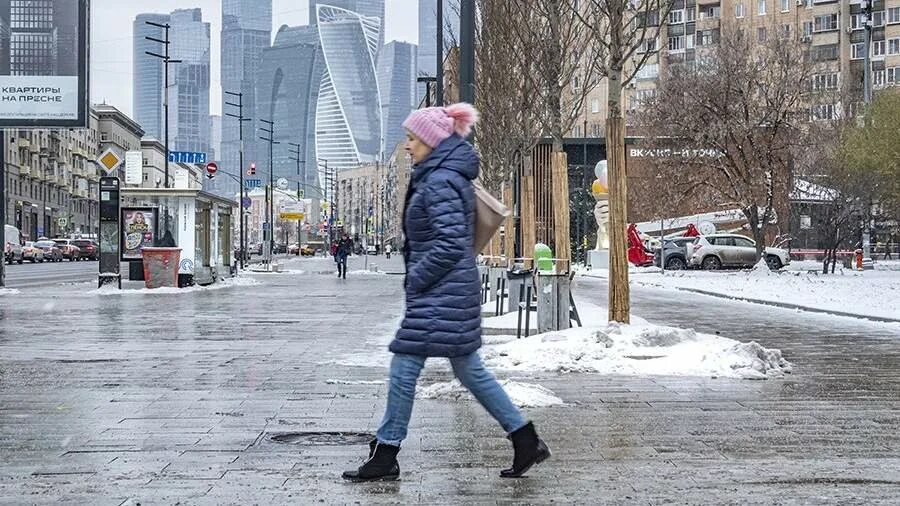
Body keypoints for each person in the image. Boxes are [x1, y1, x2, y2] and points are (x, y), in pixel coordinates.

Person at [342, 103, 550, 482]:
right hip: (448, 290)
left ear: (431, 140)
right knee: (468, 369)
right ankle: (525, 439)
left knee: (405, 367)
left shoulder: (439, 181)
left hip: (441, 291)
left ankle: (386, 453)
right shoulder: (440, 174)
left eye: (412, 138)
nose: (407, 146)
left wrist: (417, 277)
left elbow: (451, 243)